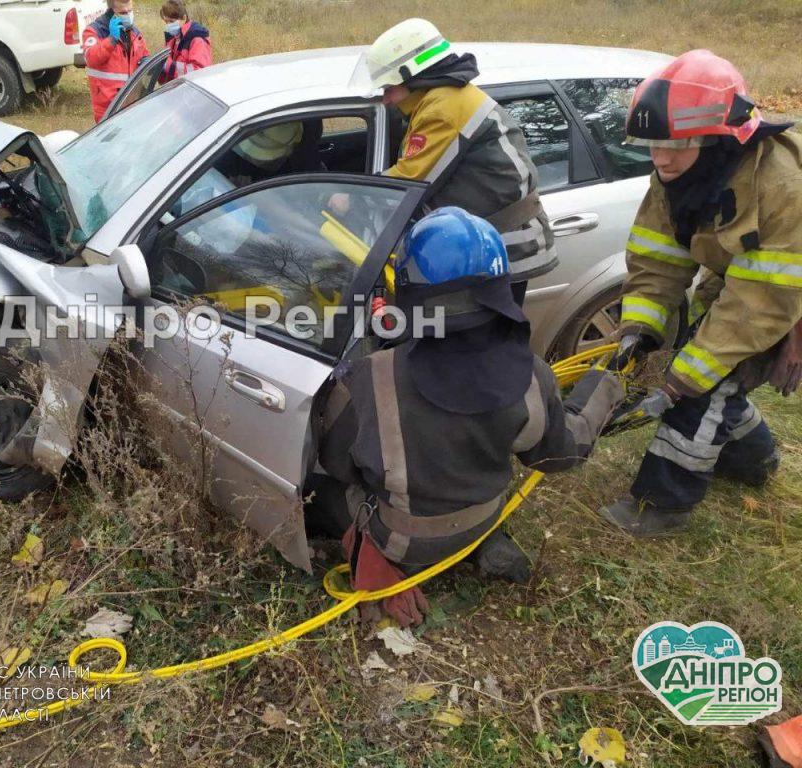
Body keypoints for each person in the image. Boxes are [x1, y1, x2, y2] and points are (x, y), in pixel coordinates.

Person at [317, 207, 625, 627]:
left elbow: (338, 462)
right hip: (482, 518)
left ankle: (379, 556)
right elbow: (560, 454)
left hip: (401, 542)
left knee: (316, 486)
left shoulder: (370, 378)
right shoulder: (533, 375)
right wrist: (604, 385)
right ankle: (485, 543)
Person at [600, 49, 802, 536]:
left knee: (703, 386)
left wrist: (681, 380)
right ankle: (757, 461)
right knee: (720, 381)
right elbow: (657, 257)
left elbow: (761, 304)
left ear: (719, 138)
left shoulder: (783, 187)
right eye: (653, 144)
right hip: (746, 280)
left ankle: (661, 505)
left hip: (784, 290)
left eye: (678, 144)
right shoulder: (678, 174)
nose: (661, 158)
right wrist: (640, 330)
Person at [334, 18, 557, 303]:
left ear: (413, 77)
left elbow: (410, 184)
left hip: (504, 248)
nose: (386, 98)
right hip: (485, 245)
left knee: (484, 331)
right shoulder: (442, 98)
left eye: (388, 87)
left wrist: (352, 196)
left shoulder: (443, 109)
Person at [82, 0, 150, 122]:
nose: (128, 15)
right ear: (112, 12)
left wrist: (146, 62)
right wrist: (111, 40)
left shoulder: (134, 32)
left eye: (130, 11)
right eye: (123, 13)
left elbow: (144, 56)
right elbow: (90, 58)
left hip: (132, 104)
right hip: (108, 108)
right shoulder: (94, 31)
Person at [158, 0, 212, 84]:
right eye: (166, 22)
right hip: (176, 88)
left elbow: (199, 72)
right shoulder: (173, 38)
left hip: (190, 89)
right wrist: (158, 72)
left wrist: (168, 66)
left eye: (171, 21)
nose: (168, 25)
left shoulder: (197, 38)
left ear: (184, 18)